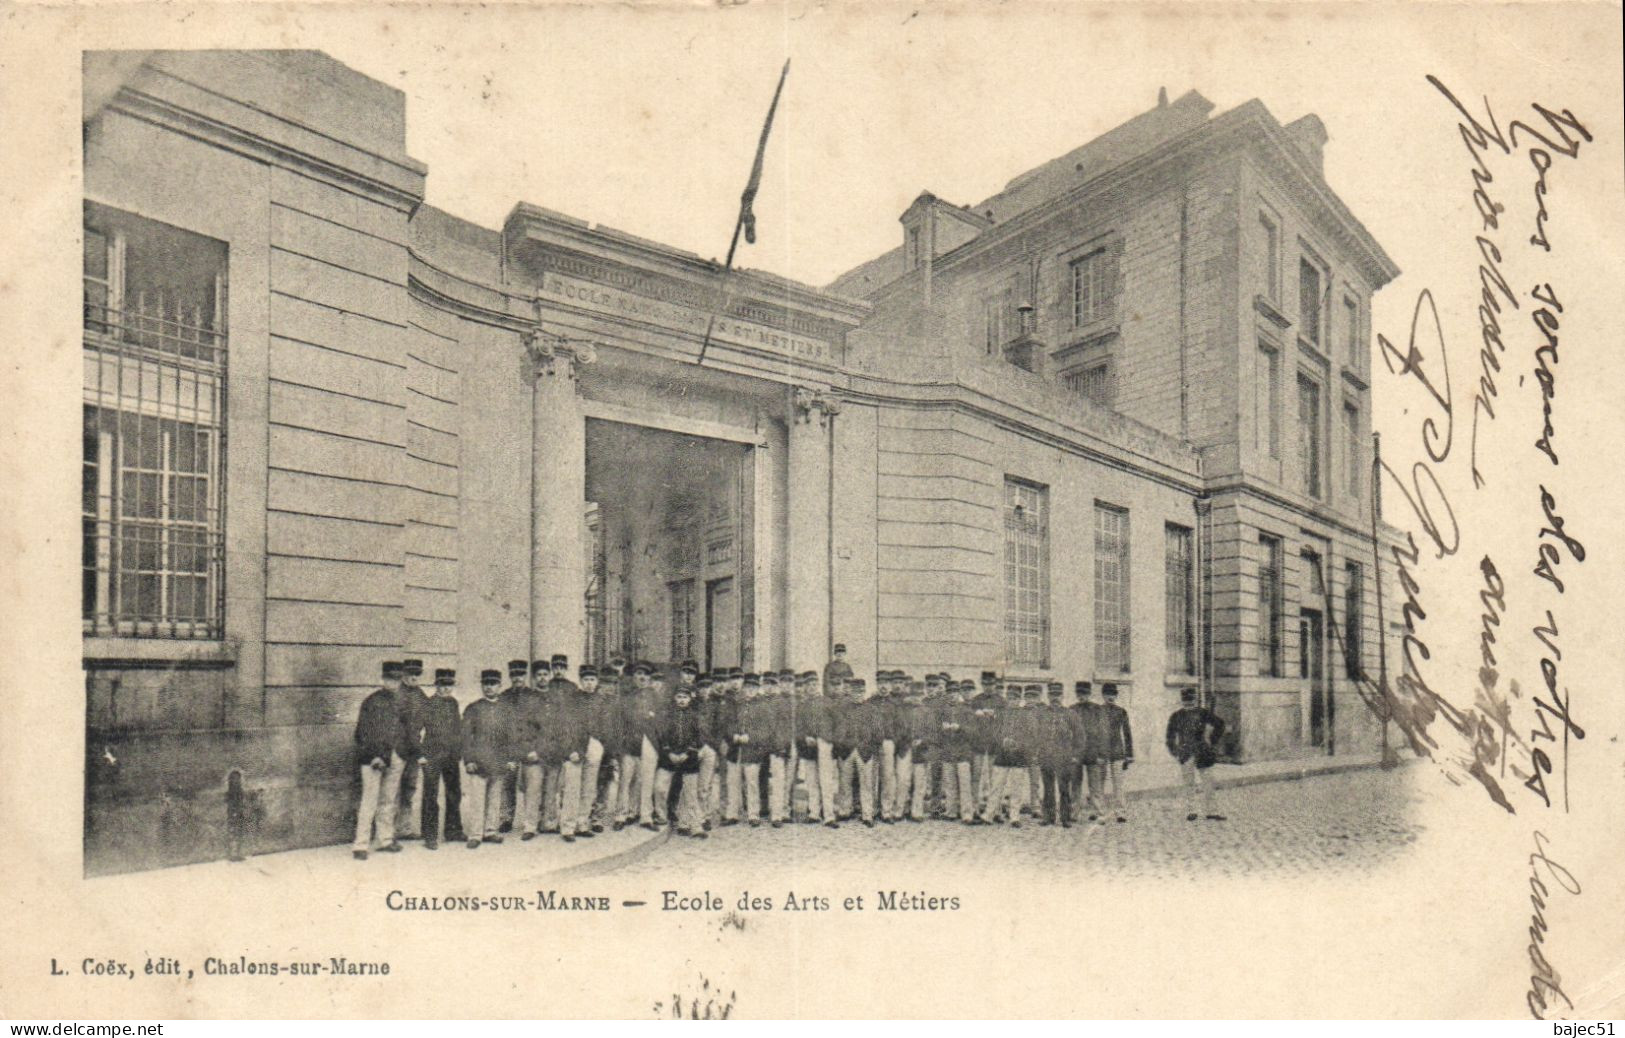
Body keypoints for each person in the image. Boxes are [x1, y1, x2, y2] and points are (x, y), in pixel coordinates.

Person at [352, 661, 408, 859]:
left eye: (397, 679)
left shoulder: (403, 701)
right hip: (374, 758)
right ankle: (361, 845)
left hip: (396, 756)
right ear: (383, 679)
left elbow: (407, 729)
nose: (393, 682)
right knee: (370, 800)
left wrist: (403, 753)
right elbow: (362, 732)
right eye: (390, 678)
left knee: (388, 800)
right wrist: (375, 755)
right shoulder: (371, 701)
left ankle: (385, 839)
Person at [461, 669, 514, 848]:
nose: (489, 687)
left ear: (499, 686)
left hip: (498, 761)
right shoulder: (473, 708)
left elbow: (510, 737)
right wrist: (468, 760)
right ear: (482, 686)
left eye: (493, 684)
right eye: (486, 684)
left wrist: (510, 759)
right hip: (478, 762)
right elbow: (466, 737)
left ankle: (490, 831)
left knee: (494, 798)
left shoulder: (505, 710)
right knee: (477, 799)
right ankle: (475, 834)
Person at [419, 666, 465, 849]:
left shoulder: (453, 703)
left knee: (454, 793)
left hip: (451, 755)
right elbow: (417, 729)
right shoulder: (428, 704)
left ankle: (453, 831)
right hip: (432, 755)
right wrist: (421, 754)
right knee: (431, 795)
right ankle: (430, 836)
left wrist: (458, 750)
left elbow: (458, 729)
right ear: (436, 685)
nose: (446, 688)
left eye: (449, 685)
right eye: (443, 685)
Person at [1166, 687, 1227, 821]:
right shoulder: (1176, 716)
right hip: (1186, 752)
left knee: (1209, 783)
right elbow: (1169, 737)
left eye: (1191, 700)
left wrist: (1212, 740)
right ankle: (1191, 811)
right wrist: (1176, 752)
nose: (1189, 703)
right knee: (1189, 784)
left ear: (1195, 699)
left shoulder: (1203, 713)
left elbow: (1220, 724)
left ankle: (1212, 811)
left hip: (1203, 752)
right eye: (1186, 700)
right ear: (1182, 701)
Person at [616, 660, 663, 831]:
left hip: (649, 741)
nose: (642, 677)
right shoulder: (627, 697)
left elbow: (662, 720)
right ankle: (622, 814)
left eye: (645, 675)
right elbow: (621, 720)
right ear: (634, 677)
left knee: (646, 779)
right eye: (639, 674)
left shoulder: (656, 697)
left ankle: (645, 816)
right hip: (630, 741)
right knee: (626, 778)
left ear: (649, 678)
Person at [655, 683, 706, 837]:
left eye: (685, 697)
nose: (682, 700)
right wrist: (669, 752)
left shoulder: (695, 716)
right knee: (660, 787)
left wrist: (689, 752)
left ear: (690, 699)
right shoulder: (667, 716)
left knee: (690, 793)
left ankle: (694, 825)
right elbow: (662, 736)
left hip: (688, 758)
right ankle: (661, 816)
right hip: (669, 757)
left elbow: (699, 737)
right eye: (679, 697)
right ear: (674, 698)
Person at [506, 659, 545, 841]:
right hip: (510, 749)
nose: (517, 678)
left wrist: (537, 749)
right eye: (514, 675)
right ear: (510, 676)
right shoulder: (504, 697)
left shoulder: (535, 697)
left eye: (520, 675)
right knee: (507, 785)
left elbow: (544, 727)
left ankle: (530, 825)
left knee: (533, 788)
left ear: (525, 676)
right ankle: (505, 819)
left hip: (531, 749)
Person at [581, 664, 618, 834]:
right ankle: (585, 815)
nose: (608, 687)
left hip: (609, 746)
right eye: (605, 683)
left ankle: (597, 817)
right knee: (588, 783)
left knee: (603, 782)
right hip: (594, 744)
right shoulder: (593, 701)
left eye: (612, 684)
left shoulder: (615, 702)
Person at [394, 659, 428, 839]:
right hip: (397, 749)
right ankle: (388, 832)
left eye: (417, 674)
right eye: (410, 673)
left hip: (413, 750)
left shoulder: (420, 694)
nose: (414, 677)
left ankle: (404, 829)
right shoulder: (396, 693)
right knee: (392, 790)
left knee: (409, 789)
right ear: (403, 675)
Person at [936, 679, 977, 824]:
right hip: (947, 750)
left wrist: (959, 728)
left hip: (963, 752)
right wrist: (942, 728)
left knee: (965, 784)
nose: (952, 695)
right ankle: (950, 812)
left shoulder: (966, 709)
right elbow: (935, 731)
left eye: (954, 692)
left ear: (958, 693)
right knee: (949, 784)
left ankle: (967, 814)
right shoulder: (943, 710)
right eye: (949, 692)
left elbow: (973, 731)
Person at [1075, 681, 1111, 823]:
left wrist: (1102, 754)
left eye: (1084, 693)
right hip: (1077, 753)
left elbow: (1103, 733)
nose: (1082, 696)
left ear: (1089, 694)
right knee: (1075, 785)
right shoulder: (1072, 709)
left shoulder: (1097, 710)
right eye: (1079, 693)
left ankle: (1100, 812)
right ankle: (1074, 812)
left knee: (1095, 786)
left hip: (1093, 752)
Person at [1099, 682, 1135, 823]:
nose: (1110, 697)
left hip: (1117, 751)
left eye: (1113, 694)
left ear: (1116, 696)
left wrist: (1129, 754)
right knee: (1100, 783)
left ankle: (1120, 812)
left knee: (1118, 783)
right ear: (1103, 695)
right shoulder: (1097, 711)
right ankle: (1100, 811)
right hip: (1102, 751)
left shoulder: (1121, 712)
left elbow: (1127, 734)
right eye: (1107, 694)